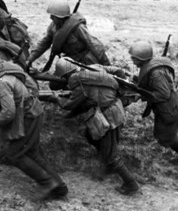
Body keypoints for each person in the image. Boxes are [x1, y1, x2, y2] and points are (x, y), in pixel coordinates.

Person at [0, 45, 68, 199]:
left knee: (14, 154)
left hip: (28, 115)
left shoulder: (1, 82)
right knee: (32, 152)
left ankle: (47, 183)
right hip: (33, 111)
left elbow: (8, 112)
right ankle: (59, 188)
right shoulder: (4, 68)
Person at [54, 58, 139, 195]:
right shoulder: (93, 67)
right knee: (90, 136)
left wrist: (56, 98)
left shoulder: (76, 79)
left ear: (66, 74)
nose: (65, 79)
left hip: (109, 116)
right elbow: (118, 71)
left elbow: (70, 104)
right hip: (113, 110)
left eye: (64, 77)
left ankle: (131, 183)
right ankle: (110, 162)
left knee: (111, 154)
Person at [129, 42, 178, 171]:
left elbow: (163, 94)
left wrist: (142, 96)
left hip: (170, 109)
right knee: (162, 136)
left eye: (134, 59)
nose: (133, 61)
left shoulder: (156, 73)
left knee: (166, 138)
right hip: (166, 108)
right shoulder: (151, 68)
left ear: (142, 59)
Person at [26, 2, 110, 72]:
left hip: (86, 61)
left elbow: (95, 45)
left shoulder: (78, 27)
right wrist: (30, 59)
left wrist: (107, 66)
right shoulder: (53, 26)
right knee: (55, 85)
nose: (50, 18)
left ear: (61, 17)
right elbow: (44, 43)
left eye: (53, 16)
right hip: (69, 61)